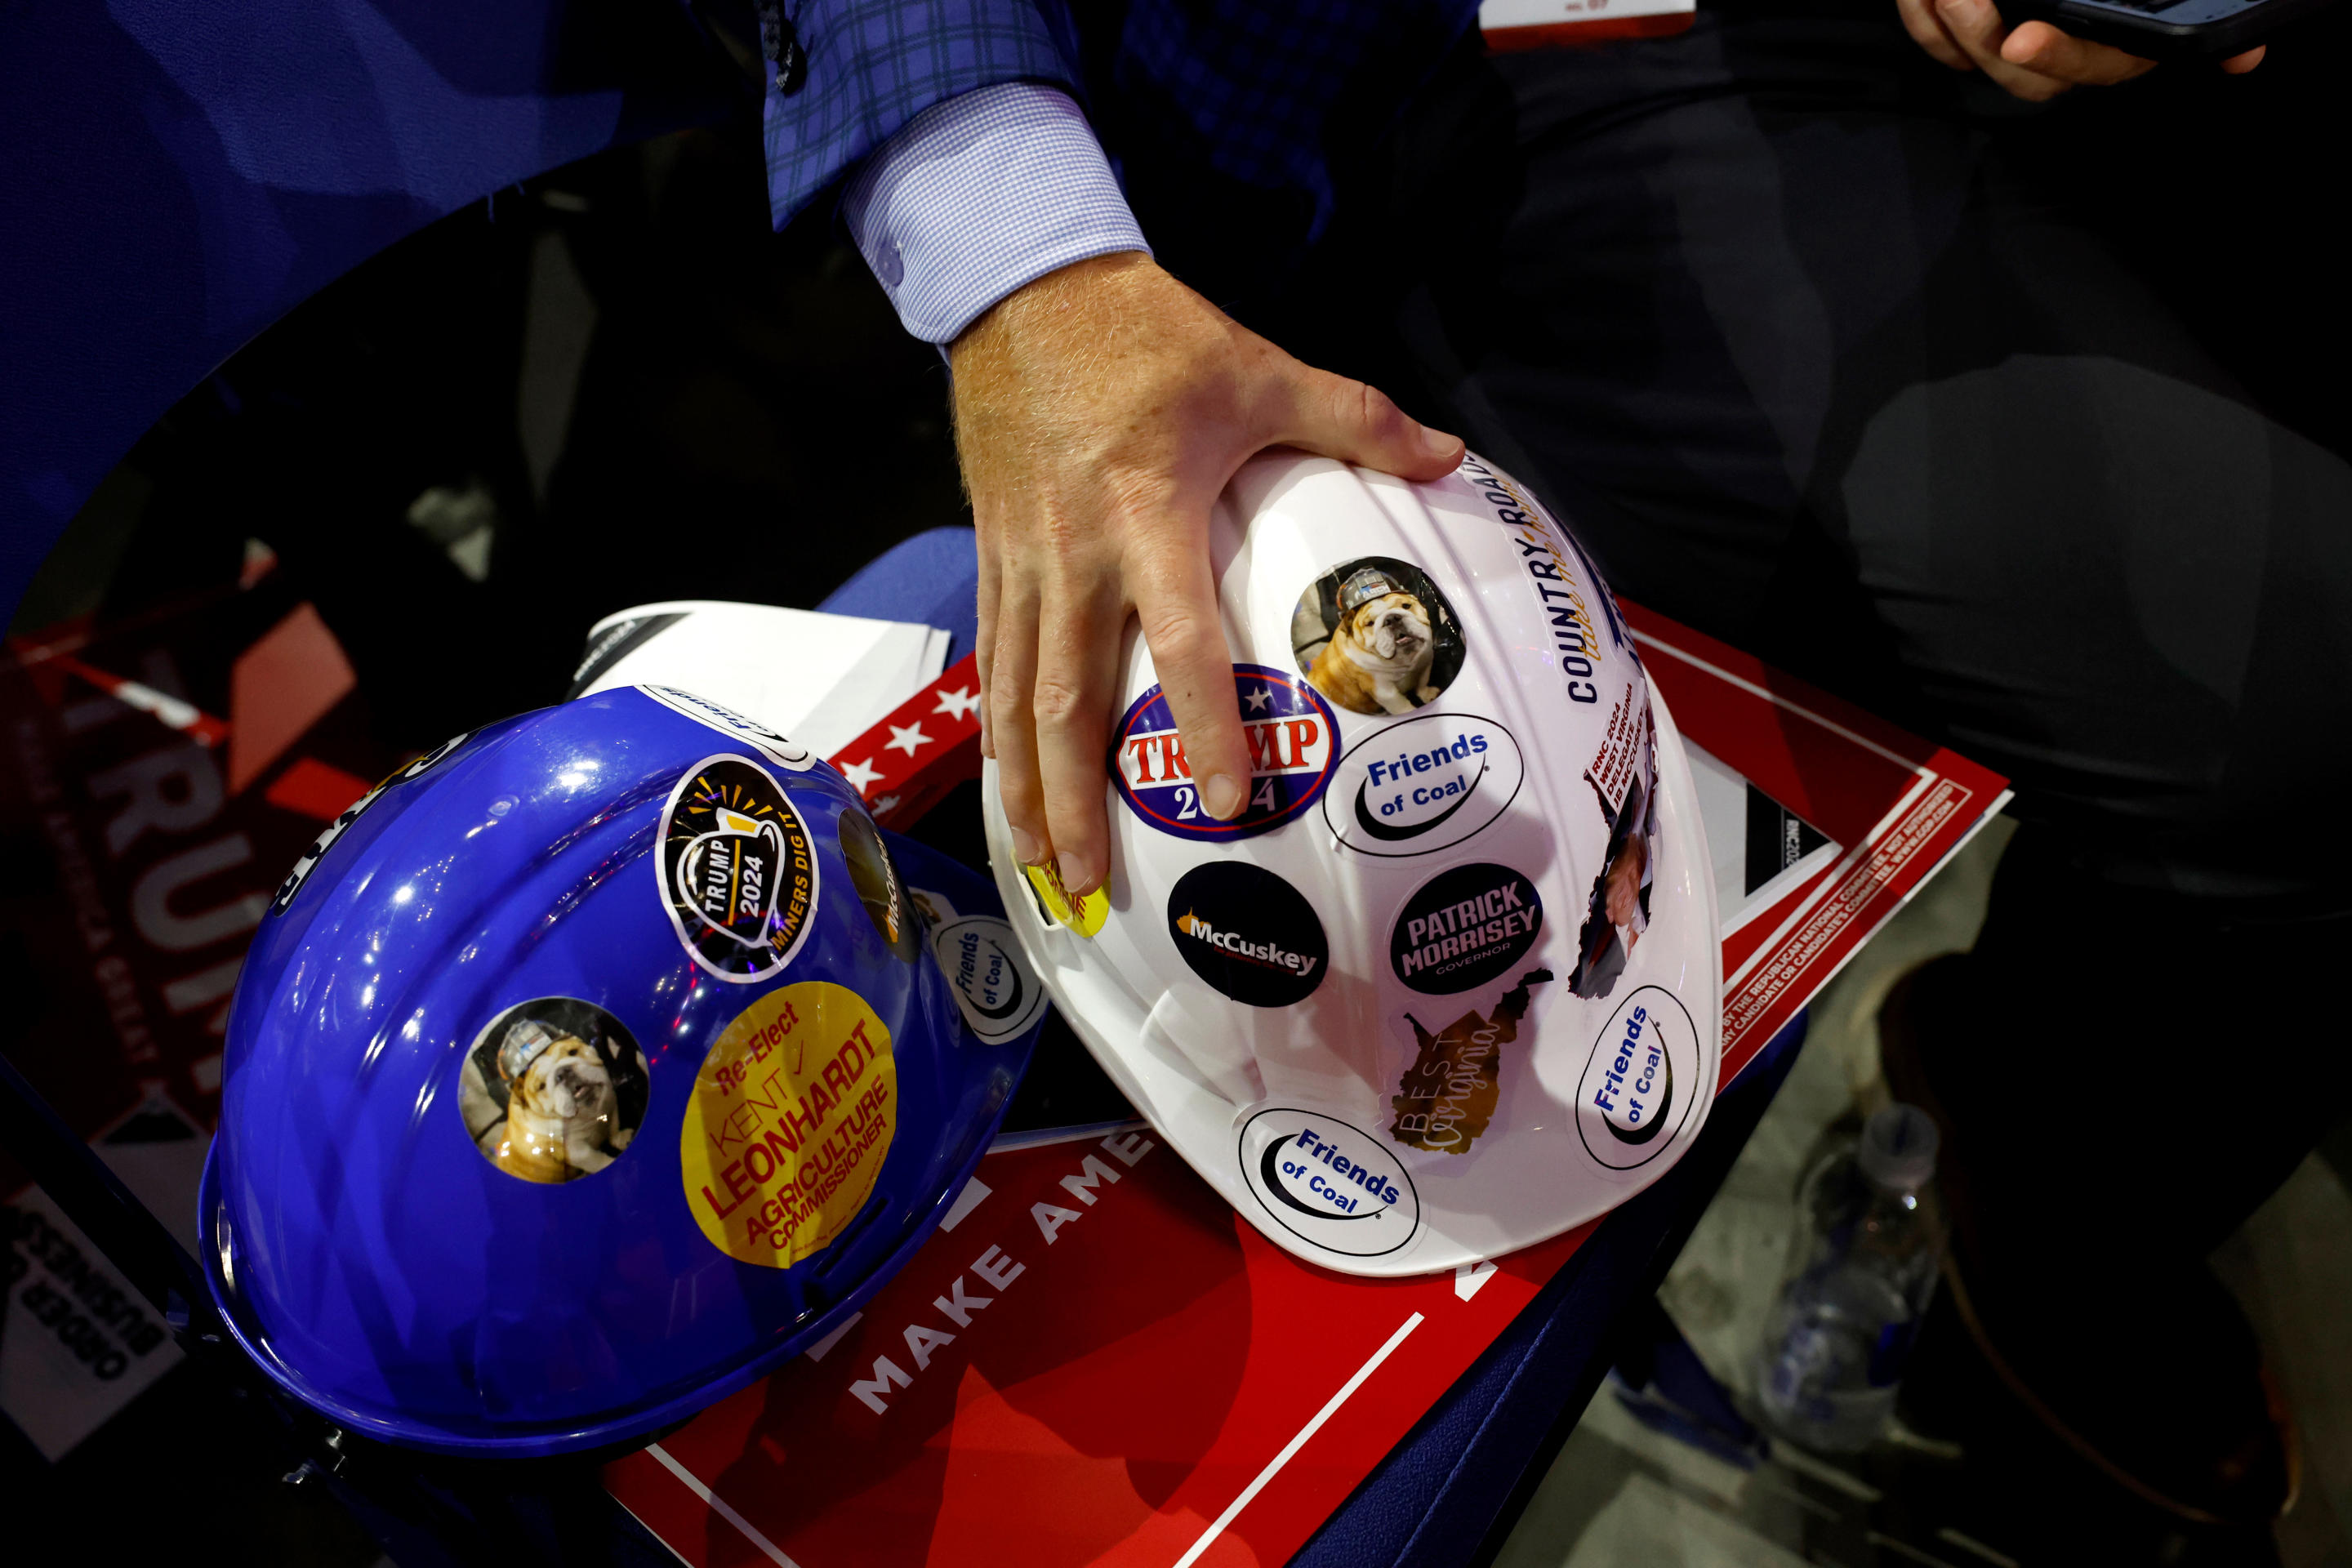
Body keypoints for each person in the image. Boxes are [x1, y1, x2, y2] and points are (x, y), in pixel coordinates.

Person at [757, 0, 2333, 1552]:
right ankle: (2042, 1182)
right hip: (1426, 70)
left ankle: (2033, 1145)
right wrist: (1017, 255)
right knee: (2306, 713)